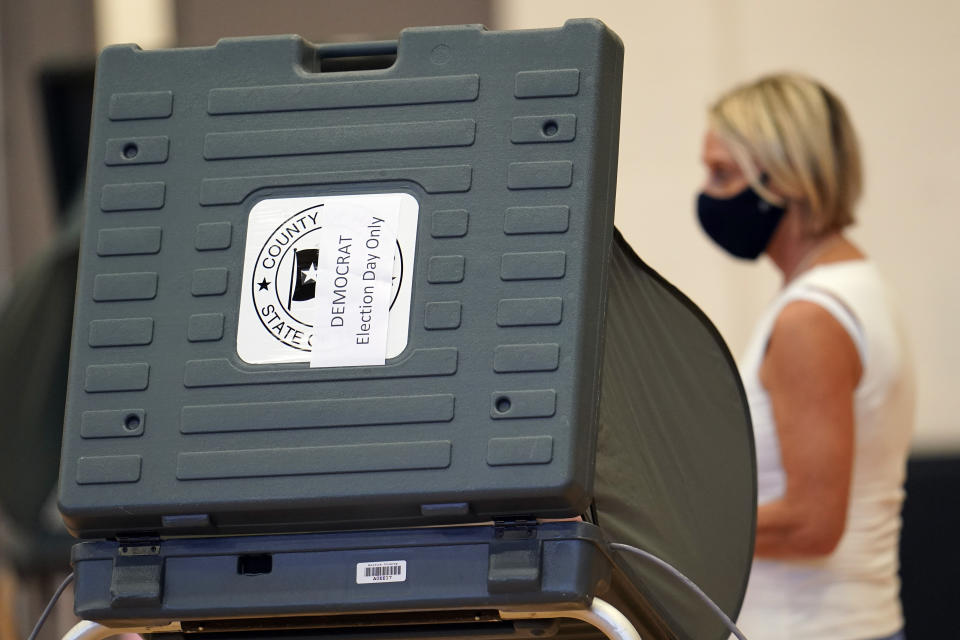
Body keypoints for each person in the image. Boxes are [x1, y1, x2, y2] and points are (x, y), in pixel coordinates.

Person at [696, 73, 915, 640]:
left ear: (783, 178)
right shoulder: (855, 284)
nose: (708, 193)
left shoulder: (810, 319)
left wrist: (669, 526)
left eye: (723, 173)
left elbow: (813, 525)